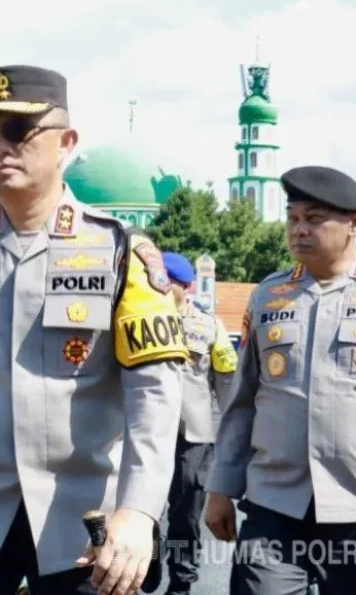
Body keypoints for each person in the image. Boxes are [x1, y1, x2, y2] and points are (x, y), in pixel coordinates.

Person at [0, 64, 187, 595]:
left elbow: (154, 396)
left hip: (83, 520)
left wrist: (139, 512)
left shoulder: (120, 250)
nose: (0, 147)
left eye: (19, 130)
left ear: (67, 142)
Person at [204, 165, 356, 595]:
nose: (299, 230)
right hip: (275, 503)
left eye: (314, 218)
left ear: (351, 223)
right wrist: (220, 488)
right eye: (292, 218)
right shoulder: (269, 296)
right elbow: (242, 400)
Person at [159, 251, 238, 595]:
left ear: (187, 287)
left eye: (168, 281)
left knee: (186, 519)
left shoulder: (211, 327)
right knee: (134, 506)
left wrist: (233, 446)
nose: (159, 285)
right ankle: (144, 559)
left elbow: (228, 388)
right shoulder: (132, 318)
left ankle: (181, 583)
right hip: (140, 433)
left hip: (192, 437)